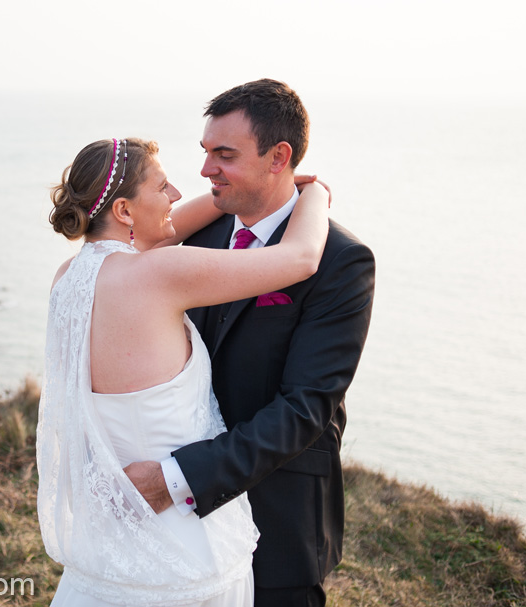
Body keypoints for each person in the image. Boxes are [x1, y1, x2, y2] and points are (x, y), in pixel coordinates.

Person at [39, 136, 330, 606]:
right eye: (162, 186)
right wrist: (313, 192)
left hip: (113, 530)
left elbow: (167, 230)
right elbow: (301, 257)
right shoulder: (160, 273)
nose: (175, 194)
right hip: (182, 537)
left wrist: (237, 198)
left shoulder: (67, 279)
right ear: (125, 211)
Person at [124, 79, 376, 607]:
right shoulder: (198, 236)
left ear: (278, 157)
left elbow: (306, 407)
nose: (206, 169)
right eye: (206, 152)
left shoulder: (341, 262)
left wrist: (176, 479)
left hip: (277, 519)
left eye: (225, 154)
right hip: (177, 528)